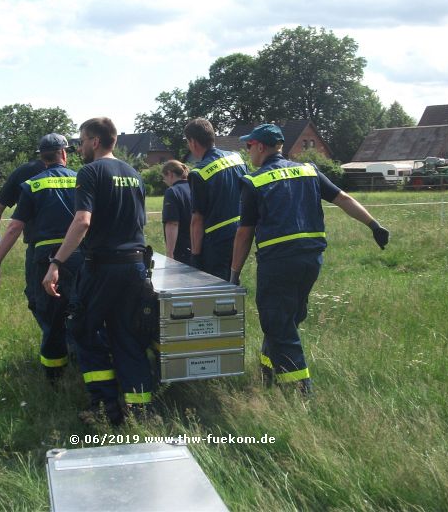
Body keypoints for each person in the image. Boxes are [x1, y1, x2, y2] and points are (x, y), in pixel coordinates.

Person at [230, 124, 390, 394]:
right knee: (286, 318)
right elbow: (343, 198)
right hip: (311, 260)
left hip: (278, 262)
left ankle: (300, 391)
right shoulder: (309, 171)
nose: (248, 153)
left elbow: (244, 233)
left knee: (277, 322)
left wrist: (233, 275)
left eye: (248, 146)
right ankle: (268, 371)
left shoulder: (254, 181)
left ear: (260, 146)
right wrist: (374, 225)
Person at [42, 117, 152, 425]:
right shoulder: (134, 174)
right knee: (127, 334)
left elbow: (82, 221)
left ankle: (105, 408)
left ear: (94, 141)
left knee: (85, 331)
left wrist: (56, 263)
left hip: (103, 267)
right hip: (135, 266)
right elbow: (139, 223)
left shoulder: (89, 172)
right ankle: (140, 408)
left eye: (81, 140)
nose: (78, 147)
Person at [0, 134, 80, 382]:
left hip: (43, 256)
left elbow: (14, 227)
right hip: (78, 254)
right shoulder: (82, 180)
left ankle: (55, 377)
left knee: (47, 310)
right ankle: (82, 358)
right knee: (80, 306)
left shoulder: (32, 184)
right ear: (64, 154)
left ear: (41, 156)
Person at [0, 150, 46, 325]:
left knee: (37, 299)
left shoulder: (24, 173)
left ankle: (58, 344)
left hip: (39, 248)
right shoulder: (74, 175)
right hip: (73, 248)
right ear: (64, 155)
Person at [185, 118, 247, 280]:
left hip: (216, 242)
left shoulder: (199, 173)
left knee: (215, 294)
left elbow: (197, 220)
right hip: (240, 234)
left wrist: (195, 256)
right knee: (233, 283)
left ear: (193, 142)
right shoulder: (237, 158)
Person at [161, 160, 192, 264]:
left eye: (164, 178)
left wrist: (170, 253)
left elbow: (172, 223)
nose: (165, 181)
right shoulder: (194, 188)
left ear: (170, 174)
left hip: (182, 250)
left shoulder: (172, 191)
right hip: (198, 247)